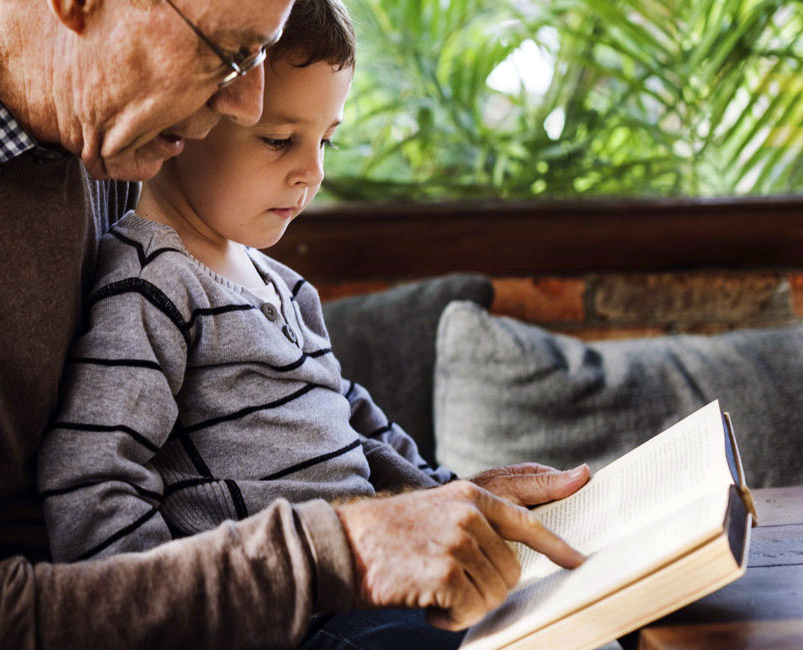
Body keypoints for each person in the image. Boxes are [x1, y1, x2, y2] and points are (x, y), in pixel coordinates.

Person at [0, 0, 590, 648]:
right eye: (230, 53)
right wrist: (339, 547)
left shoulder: (96, 120)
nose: (242, 106)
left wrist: (434, 500)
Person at [35, 1, 588, 645]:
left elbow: (353, 418)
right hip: (297, 621)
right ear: (194, 113)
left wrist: (459, 499)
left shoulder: (282, 284)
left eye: (325, 141)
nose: (313, 172)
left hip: (374, 589)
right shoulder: (151, 285)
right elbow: (92, 478)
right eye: (280, 140)